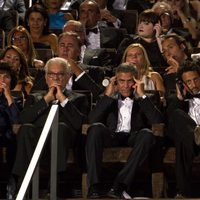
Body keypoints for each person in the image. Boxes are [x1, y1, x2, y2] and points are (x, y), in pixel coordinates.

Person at [7, 57, 87, 199]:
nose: (55, 78)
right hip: (37, 140)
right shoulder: (35, 97)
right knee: (25, 129)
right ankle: (22, 185)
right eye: (51, 74)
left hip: (62, 140)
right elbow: (23, 119)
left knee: (61, 127)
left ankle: (55, 185)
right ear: (45, 77)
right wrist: (46, 99)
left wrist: (62, 98)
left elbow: (78, 123)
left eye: (60, 74)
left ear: (68, 76)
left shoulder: (78, 98)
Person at [86, 63, 164, 198]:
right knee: (95, 128)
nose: (126, 85)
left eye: (130, 81)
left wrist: (141, 95)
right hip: (112, 136)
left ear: (136, 81)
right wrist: (108, 96)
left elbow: (157, 121)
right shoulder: (107, 97)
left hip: (134, 137)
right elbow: (91, 119)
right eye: (122, 81)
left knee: (147, 134)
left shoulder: (147, 98)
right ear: (116, 81)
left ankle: (119, 185)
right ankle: (94, 187)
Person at [32, 31, 104, 101]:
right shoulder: (45, 71)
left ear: (79, 51)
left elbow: (99, 97)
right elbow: (34, 96)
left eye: (70, 45)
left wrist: (76, 69)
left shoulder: (92, 71)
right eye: (62, 45)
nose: (65, 49)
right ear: (57, 49)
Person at [166, 60, 200, 198]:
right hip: (191, 141)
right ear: (183, 84)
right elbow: (169, 121)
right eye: (189, 82)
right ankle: (195, 135)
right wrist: (179, 98)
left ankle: (182, 192)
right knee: (177, 116)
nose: (193, 84)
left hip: (187, 143)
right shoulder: (177, 101)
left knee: (182, 142)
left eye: (196, 79)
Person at [0, 61, 19, 199]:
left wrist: (8, 97)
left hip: (8, 137)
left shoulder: (15, 100)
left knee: (15, 142)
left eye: (6, 77)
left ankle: (11, 184)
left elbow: (16, 122)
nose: (2, 80)